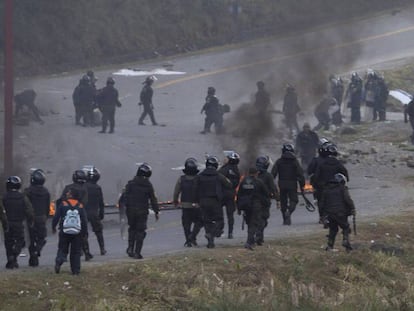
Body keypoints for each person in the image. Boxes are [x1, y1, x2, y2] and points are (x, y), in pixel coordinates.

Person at [194, 156, 232, 248]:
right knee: (219, 221)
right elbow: (229, 184)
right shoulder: (218, 176)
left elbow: (195, 189)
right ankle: (212, 234)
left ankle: (210, 241)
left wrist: (196, 201)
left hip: (203, 201)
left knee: (207, 221)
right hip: (215, 201)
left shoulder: (200, 176)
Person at [123, 163, 159, 259]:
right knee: (141, 231)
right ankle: (137, 252)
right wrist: (156, 211)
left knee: (132, 229)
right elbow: (153, 199)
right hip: (142, 211)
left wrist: (125, 209)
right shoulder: (148, 185)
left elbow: (124, 197)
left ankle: (130, 248)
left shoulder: (130, 183)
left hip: (130, 210)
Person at [52, 188, 88, 275]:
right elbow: (84, 220)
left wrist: (53, 227)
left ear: (71, 195)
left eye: (68, 192)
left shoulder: (63, 204)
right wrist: (84, 232)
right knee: (75, 252)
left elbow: (56, 217)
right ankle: (75, 271)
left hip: (64, 231)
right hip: (77, 233)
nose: (67, 193)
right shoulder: (80, 206)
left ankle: (59, 261)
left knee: (62, 248)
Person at [59, 170, 92, 260]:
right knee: (83, 234)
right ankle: (86, 252)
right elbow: (85, 202)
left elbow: (62, 199)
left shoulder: (68, 188)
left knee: (64, 235)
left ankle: (63, 255)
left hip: (67, 213)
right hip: (79, 213)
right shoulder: (84, 189)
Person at [2, 176, 34, 269]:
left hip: (7, 222)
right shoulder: (22, 197)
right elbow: (29, 210)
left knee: (8, 242)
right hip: (19, 222)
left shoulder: (4, 197)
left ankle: (10, 260)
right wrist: (31, 220)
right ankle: (14, 255)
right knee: (20, 241)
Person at [320, 173, 356, 251]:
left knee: (333, 229)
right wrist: (352, 208)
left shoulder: (326, 189)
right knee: (345, 227)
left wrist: (323, 215)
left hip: (330, 213)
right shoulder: (342, 188)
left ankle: (330, 246)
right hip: (341, 213)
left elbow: (322, 203)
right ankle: (345, 241)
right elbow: (347, 199)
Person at [271, 144, 305, 225]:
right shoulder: (295, 162)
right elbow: (300, 174)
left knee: (283, 202)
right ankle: (289, 212)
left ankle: (285, 219)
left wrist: (272, 185)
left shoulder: (279, 161)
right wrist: (302, 185)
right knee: (294, 200)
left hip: (282, 184)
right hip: (292, 184)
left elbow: (273, 174)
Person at [237, 167, 269, 250]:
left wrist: (239, 208)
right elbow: (266, 193)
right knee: (253, 223)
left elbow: (239, 195)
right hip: (255, 205)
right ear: (256, 173)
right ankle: (249, 241)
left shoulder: (243, 181)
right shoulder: (258, 182)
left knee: (249, 223)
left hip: (246, 206)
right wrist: (266, 204)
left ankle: (250, 240)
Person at [173, 158, 203, 247]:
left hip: (185, 205)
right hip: (197, 205)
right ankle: (193, 236)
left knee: (186, 224)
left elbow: (176, 192)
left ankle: (188, 240)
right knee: (199, 222)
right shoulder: (199, 179)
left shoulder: (181, 179)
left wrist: (175, 202)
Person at [24, 169, 50, 267]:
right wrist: (46, 216)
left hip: (31, 217)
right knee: (42, 238)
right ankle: (37, 251)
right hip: (42, 217)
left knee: (31, 238)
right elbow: (47, 206)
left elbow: (25, 205)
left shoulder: (28, 191)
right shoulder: (46, 192)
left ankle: (33, 257)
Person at [255, 155, 280, 245]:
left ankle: (258, 236)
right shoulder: (268, 176)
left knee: (257, 219)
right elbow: (273, 188)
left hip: (254, 201)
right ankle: (259, 236)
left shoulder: (253, 174)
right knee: (263, 219)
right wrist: (277, 199)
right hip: (264, 201)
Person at [83, 166, 106, 256]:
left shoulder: (83, 186)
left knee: (83, 233)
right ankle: (102, 249)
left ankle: (85, 250)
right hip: (94, 212)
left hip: (84, 212)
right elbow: (101, 202)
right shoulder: (97, 188)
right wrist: (101, 213)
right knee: (98, 231)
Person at [307, 138, 331, 223]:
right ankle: (325, 217)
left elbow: (309, 171)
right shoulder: (330, 160)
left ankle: (323, 217)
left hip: (320, 184)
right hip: (324, 184)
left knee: (321, 201)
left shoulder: (316, 160)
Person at [218, 152, 241, 239]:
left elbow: (218, 178)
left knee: (219, 213)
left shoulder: (224, 169)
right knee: (230, 215)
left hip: (222, 194)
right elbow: (236, 183)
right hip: (231, 195)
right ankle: (230, 233)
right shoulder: (236, 170)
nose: (225, 159)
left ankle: (220, 229)